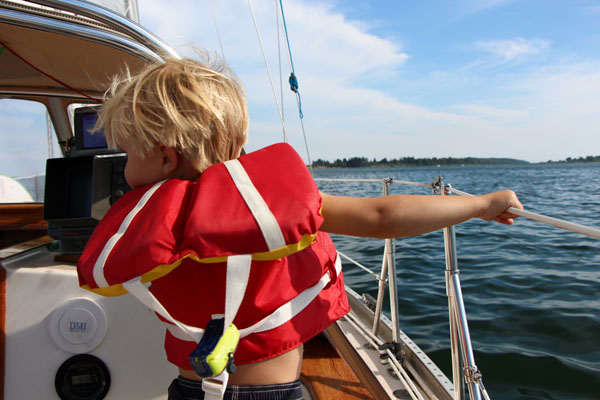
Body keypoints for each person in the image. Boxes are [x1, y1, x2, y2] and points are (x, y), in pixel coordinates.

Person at [77, 55, 523, 400]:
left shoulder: (140, 223)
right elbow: (381, 217)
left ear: (164, 157)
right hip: (271, 390)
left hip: (192, 390)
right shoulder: (268, 204)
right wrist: (481, 204)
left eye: (126, 153)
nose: (125, 168)